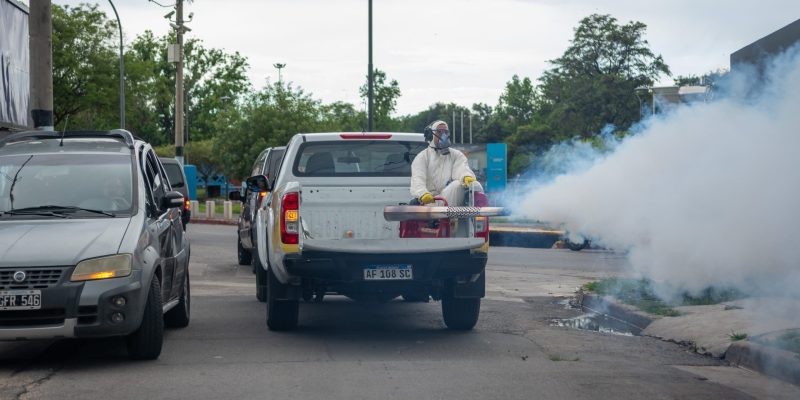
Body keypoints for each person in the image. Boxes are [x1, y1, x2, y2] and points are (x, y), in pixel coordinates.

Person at [410, 120, 479, 206]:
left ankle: (453, 218)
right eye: (439, 132)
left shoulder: (456, 155)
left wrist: (466, 176)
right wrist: (423, 194)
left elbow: (461, 168)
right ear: (431, 135)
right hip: (429, 202)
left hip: (449, 200)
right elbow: (418, 179)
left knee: (461, 184)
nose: (443, 135)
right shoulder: (422, 157)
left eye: (446, 132)